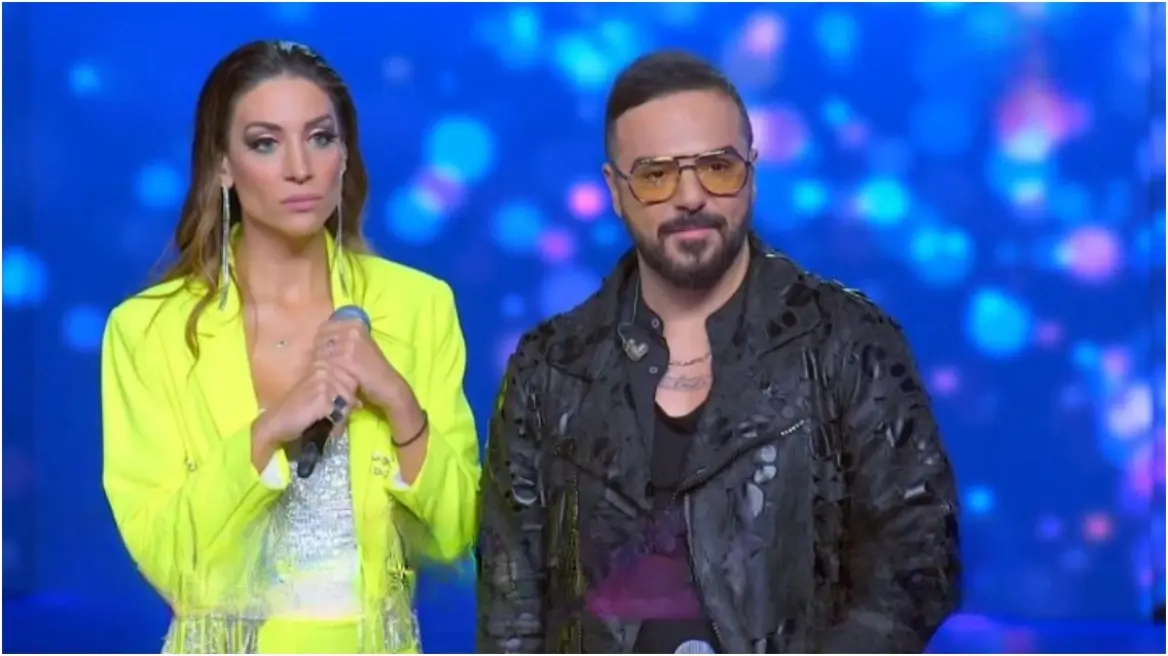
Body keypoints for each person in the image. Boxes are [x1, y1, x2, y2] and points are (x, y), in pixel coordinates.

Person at [477, 50, 961, 654]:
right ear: (616, 191)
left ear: (752, 173)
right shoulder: (549, 367)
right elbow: (511, 603)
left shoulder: (848, 340)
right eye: (656, 175)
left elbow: (917, 558)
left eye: (717, 167)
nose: (691, 196)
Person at [101, 41, 480, 654]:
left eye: (320, 138)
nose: (300, 168)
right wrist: (269, 431)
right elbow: (171, 563)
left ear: (345, 155)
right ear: (222, 165)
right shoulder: (148, 330)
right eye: (265, 143)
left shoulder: (420, 306)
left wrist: (400, 403)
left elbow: (455, 536)